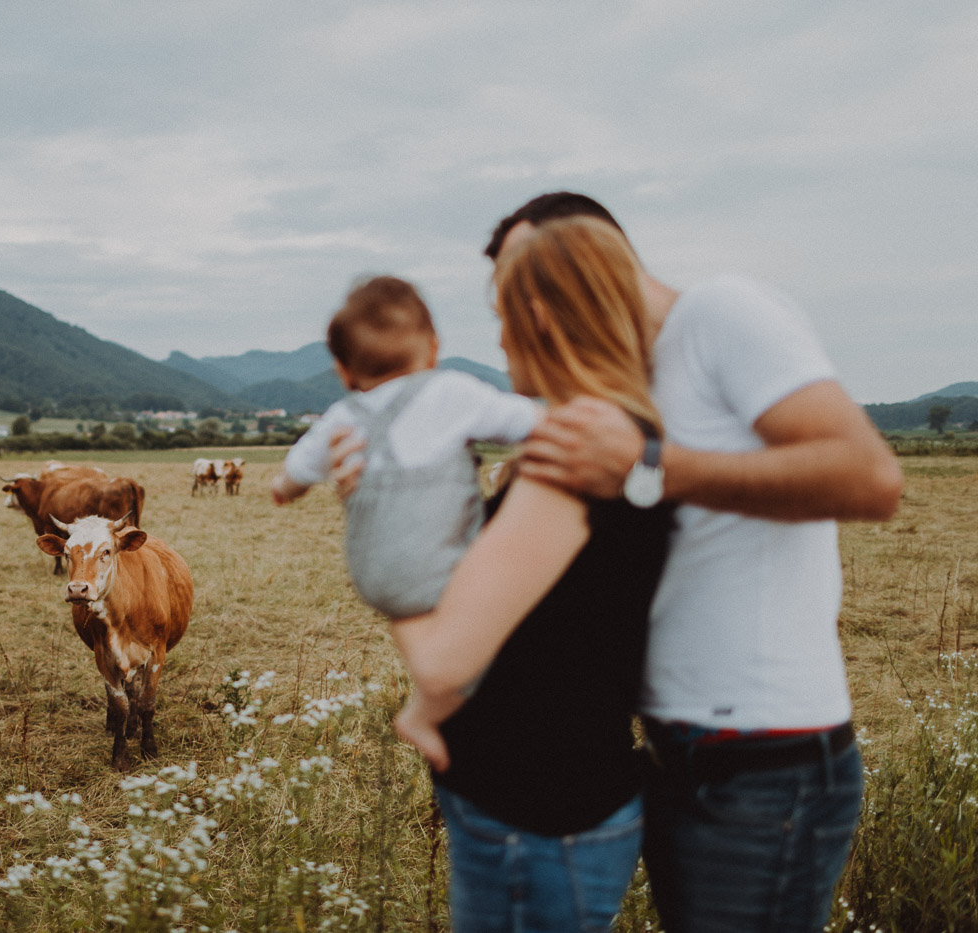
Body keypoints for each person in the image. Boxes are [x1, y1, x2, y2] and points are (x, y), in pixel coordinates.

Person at [465, 192, 902, 932]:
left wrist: (652, 466)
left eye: (531, 279)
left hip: (764, 764)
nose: (520, 313)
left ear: (595, 251)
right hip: (671, 757)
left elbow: (869, 477)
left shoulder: (721, 316)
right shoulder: (619, 384)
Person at [385, 216, 677, 932]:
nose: (500, 338)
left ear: (539, 317)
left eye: (501, 315)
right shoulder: (622, 433)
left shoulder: (570, 460)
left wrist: (383, 540)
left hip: (535, 814)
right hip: (560, 802)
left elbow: (446, 660)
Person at [271, 275, 543, 620]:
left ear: (342, 371)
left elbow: (297, 471)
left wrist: (282, 489)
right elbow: (529, 421)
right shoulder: (453, 393)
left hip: (374, 582)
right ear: (434, 348)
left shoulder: (342, 417)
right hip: (452, 574)